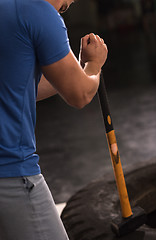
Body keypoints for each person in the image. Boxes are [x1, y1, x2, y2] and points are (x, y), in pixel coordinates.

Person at [0, 0, 108, 239]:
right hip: (10, 171)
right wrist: (93, 65)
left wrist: (74, 70)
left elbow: (21, 87)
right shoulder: (39, 12)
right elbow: (79, 94)